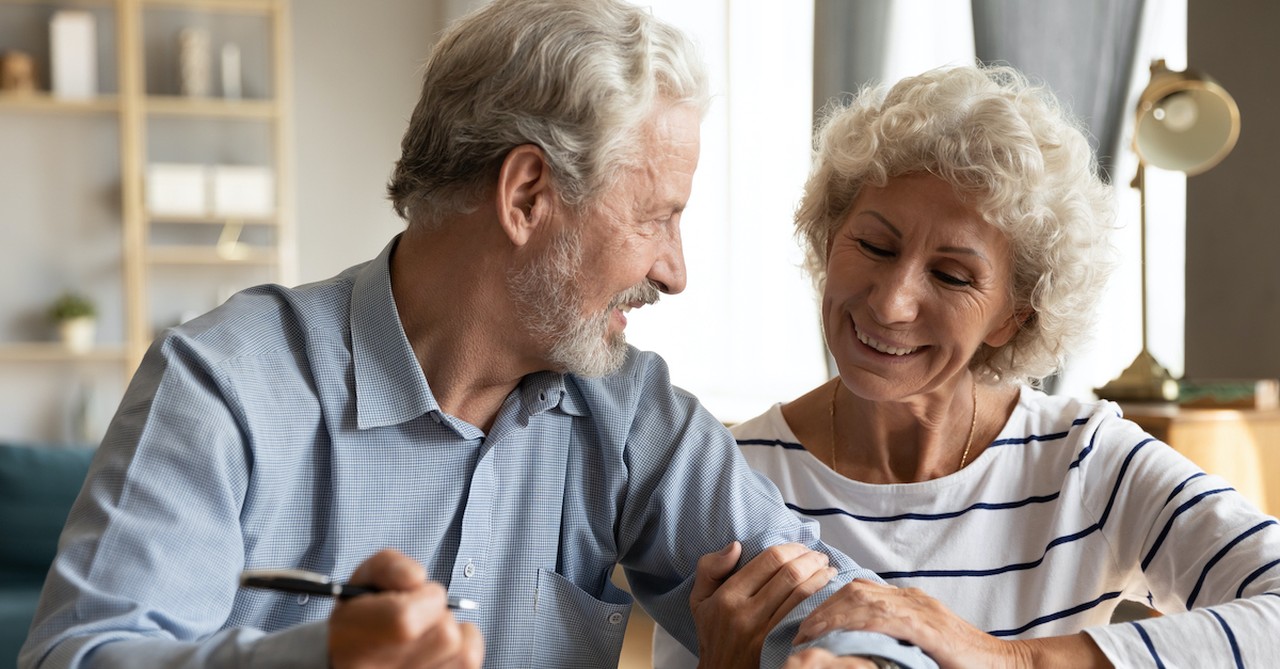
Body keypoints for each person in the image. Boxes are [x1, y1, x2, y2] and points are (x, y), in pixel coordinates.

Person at [19, 1, 938, 668]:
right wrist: (320, 661)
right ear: (528, 195)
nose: (674, 270)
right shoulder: (224, 382)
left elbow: (842, 602)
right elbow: (80, 655)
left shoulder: (625, 408)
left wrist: (841, 660)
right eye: (656, 217)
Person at [654, 64, 1280, 668]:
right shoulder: (729, 475)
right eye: (873, 245)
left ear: (1014, 316)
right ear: (828, 236)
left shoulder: (1084, 462)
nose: (891, 302)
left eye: (952, 276)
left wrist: (1012, 659)